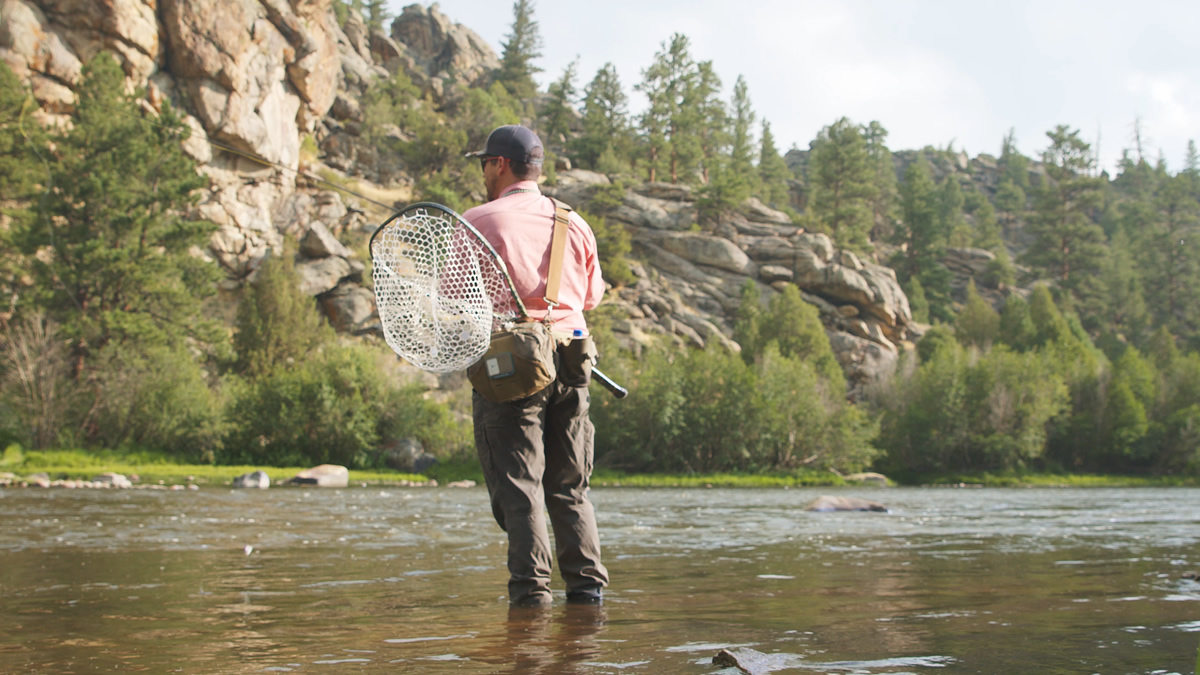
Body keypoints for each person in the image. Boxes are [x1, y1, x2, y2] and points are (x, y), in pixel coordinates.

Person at [462, 124, 609, 607]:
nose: (484, 171)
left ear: (499, 165)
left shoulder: (478, 220)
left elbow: (454, 299)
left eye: (485, 162)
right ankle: (587, 600)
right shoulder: (575, 222)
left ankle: (529, 607)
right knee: (568, 487)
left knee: (521, 487)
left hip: (512, 369)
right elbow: (591, 296)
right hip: (574, 361)